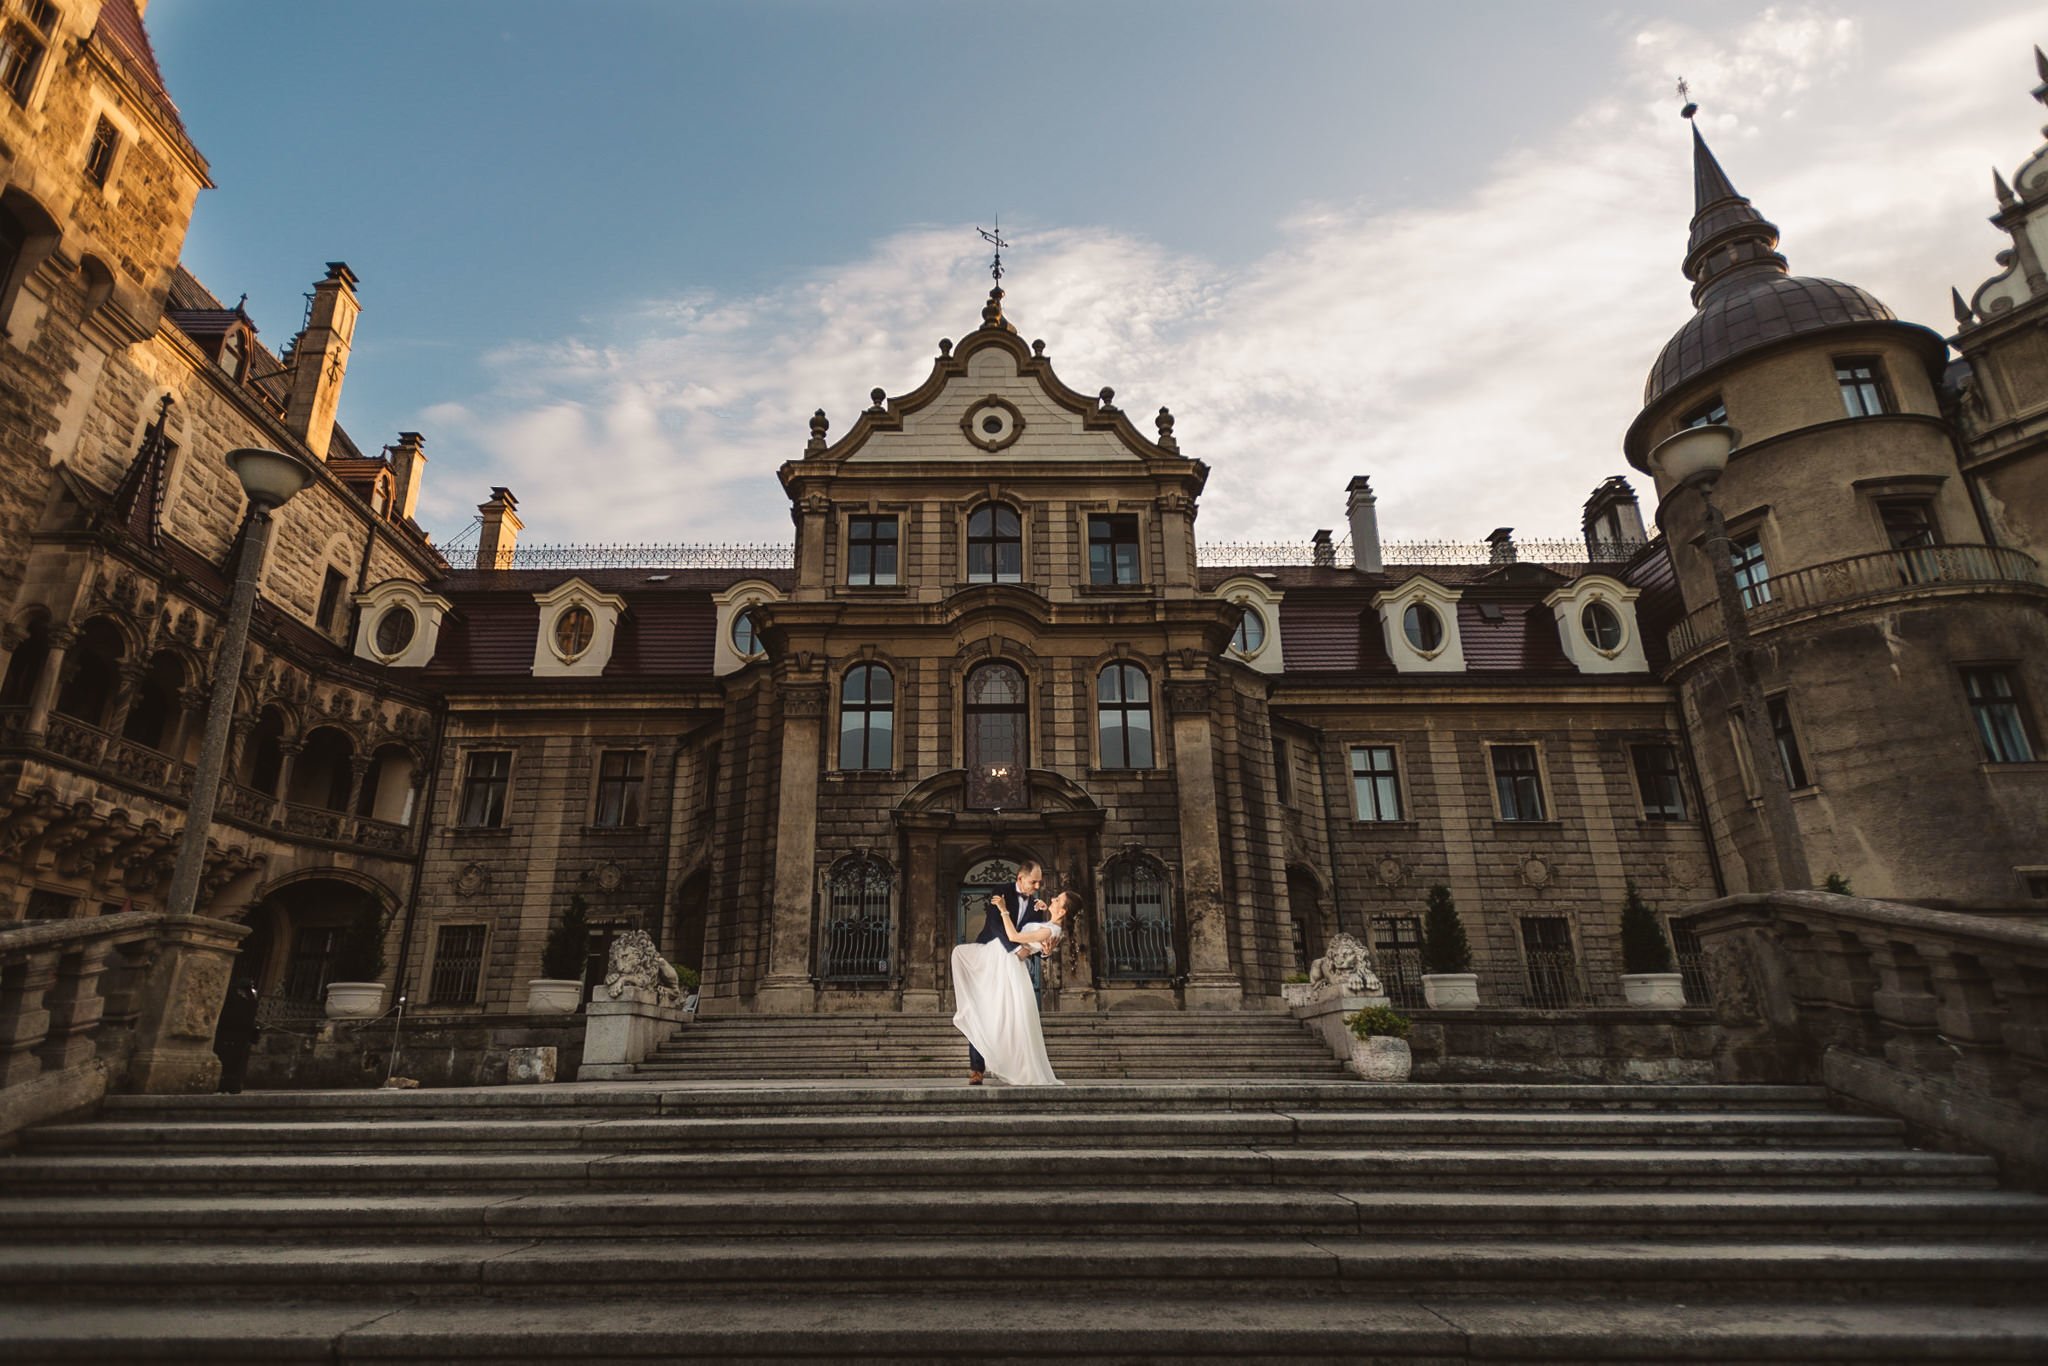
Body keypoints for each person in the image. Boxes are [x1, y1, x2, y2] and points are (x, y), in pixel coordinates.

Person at [951, 887, 1082, 1087]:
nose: (1052, 898)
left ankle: (1001, 1060)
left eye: (1057, 900)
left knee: (996, 1015)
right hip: (1002, 962)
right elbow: (1037, 940)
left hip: (1007, 967)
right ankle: (983, 1061)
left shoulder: (1050, 930)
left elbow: (1013, 937)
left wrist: (1003, 909)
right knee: (989, 1012)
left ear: (1063, 911)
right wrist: (1041, 913)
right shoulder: (1049, 926)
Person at [214, 976, 261, 1095]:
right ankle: (227, 1084)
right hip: (233, 1035)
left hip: (235, 1035)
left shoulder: (244, 999)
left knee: (233, 1061)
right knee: (231, 1061)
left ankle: (229, 1084)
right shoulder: (247, 1000)